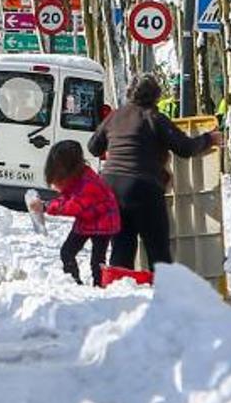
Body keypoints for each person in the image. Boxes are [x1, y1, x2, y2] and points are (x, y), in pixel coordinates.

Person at [89, 74, 220, 270]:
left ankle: (120, 292)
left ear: (130, 94)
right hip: (143, 187)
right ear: (156, 97)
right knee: (157, 248)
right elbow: (185, 148)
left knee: (122, 246)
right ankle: (163, 293)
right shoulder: (155, 118)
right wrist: (209, 139)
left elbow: (93, 147)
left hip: (111, 187)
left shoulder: (114, 116)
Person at [30, 139, 121, 286]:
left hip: (103, 222)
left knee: (97, 260)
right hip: (87, 219)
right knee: (67, 252)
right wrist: (46, 204)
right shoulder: (77, 178)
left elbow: (73, 206)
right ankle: (73, 282)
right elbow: (67, 199)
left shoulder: (88, 183)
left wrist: (46, 207)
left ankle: (99, 288)